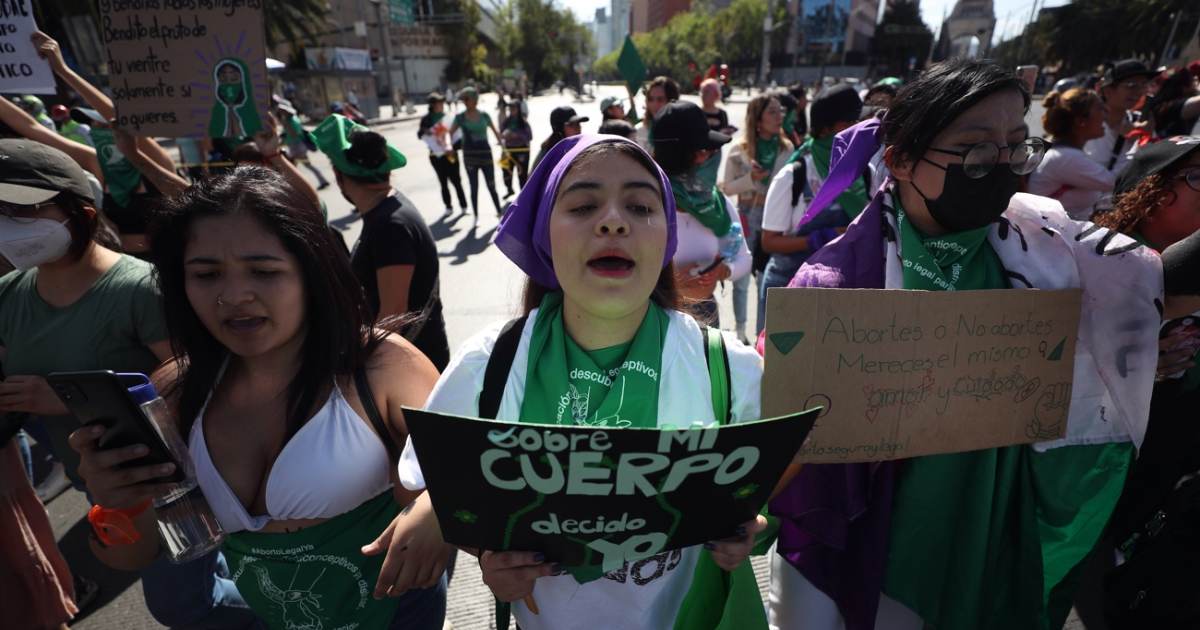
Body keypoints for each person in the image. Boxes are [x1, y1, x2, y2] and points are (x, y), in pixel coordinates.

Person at [768, 59, 1162, 630]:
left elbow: (1147, 286)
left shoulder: (1053, 254)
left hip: (982, 522)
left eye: (1017, 147)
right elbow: (788, 444)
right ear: (901, 160)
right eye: (976, 151)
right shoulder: (832, 288)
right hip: (871, 538)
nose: (1000, 167)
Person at [396, 133, 768, 630]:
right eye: (583, 206)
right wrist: (487, 556)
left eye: (640, 207)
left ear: (667, 238)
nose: (613, 221)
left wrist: (746, 533)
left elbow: (763, 495)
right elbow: (435, 491)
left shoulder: (729, 369)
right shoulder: (486, 367)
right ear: (545, 235)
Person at [69, 166, 453, 629]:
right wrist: (118, 501)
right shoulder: (172, 392)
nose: (234, 295)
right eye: (207, 274)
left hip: (400, 613)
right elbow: (132, 557)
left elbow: (468, 478)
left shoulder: (383, 366)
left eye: (264, 271)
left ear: (311, 270)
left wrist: (433, 509)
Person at [0, 138, 262, 629]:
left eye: (23, 210)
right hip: (102, 486)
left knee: (183, 605)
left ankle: (320, 611)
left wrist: (66, 399)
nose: (7, 225)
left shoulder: (141, 287)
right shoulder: (9, 295)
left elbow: (205, 385)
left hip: (172, 486)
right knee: (214, 579)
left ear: (78, 212)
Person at [1092, 136, 1200, 628]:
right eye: (1196, 177)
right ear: (1150, 191)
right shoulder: (1099, 263)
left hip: (1173, 462)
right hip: (1106, 468)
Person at [314, 114, 451, 370]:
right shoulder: (389, 207)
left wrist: (359, 367)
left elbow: (393, 317)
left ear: (338, 176)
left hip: (410, 370)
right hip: (409, 361)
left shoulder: (390, 227)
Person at [33, 30, 187, 257]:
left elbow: (117, 117)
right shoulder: (98, 165)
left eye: (105, 125)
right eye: (93, 125)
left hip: (167, 261)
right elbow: (33, 129)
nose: (98, 130)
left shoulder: (153, 160)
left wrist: (63, 71)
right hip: (127, 264)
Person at [758, 83, 867, 336]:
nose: (860, 129)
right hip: (788, 288)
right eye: (852, 123)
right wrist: (820, 239)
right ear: (828, 129)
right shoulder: (794, 176)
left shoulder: (864, 173)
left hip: (840, 291)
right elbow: (769, 242)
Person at [653, 101, 752, 326]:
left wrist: (723, 271)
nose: (708, 158)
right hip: (656, 316)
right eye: (701, 151)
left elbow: (744, 258)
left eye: (710, 151)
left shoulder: (717, 203)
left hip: (706, 317)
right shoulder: (646, 206)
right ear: (677, 156)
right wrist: (670, 280)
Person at [720, 93, 793, 341]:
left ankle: (764, 333)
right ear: (758, 119)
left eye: (780, 111)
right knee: (741, 276)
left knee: (768, 278)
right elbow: (727, 187)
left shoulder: (787, 148)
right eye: (772, 112)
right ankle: (740, 333)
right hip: (746, 217)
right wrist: (750, 179)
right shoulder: (739, 150)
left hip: (777, 219)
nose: (779, 116)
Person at [1027, 88, 1116, 220]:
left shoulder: (1064, 153)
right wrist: (1134, 141)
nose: (1106, 111)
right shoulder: (1066, 157)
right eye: (1100, 108)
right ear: (1080, 121)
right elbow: (1115, 182)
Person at [1084, 59, 1157, 175]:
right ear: (1108, 91)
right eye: (1131, 85)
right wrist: (1136, 147)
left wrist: (1145, 138)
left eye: (1143, 85)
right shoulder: (1085, 124)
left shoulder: (1141, 122)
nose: (1139, 92)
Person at [449, 86, 506, 220]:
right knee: (474, 187)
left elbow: (496, 133)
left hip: (486, 155)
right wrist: (448, 146)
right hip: (470, 157)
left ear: (474, 100)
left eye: (467, 99)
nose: (464, 102)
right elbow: (449, 134)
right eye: (463, 100)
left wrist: (504, 148)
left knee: (491, 185)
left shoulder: (485, 116)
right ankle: (476, 217)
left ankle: (499, 213)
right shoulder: (460, 118)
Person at [418, 92, 469, 217]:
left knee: (457, 181)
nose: (441, 104)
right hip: (437, 156)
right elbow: (420, 134)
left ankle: (464, 206)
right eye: (439, 102)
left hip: (451, 154)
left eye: (442, 102)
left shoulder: (448, 117)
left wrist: (453, 148)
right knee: (443, 182)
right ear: (432, 105)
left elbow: (457, 137)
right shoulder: (426, 119)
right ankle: (448, 207)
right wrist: (426, 131)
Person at [276, 99, 332, 190]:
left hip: (297, 147)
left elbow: (294, 134)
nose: (281, 113)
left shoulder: (291, 121)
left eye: (282, 111)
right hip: (295, 147)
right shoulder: (291, 120)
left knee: (295, 167)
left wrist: (286, 127)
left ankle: (304, 186)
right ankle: (321, 181)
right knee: (298, 167)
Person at [1148, 67, 1200, 138]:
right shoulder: (1171, 106)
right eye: (1193, 81)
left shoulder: (1162, 104)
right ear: (1185, 87)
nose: (1197, 83)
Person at [532, 105, 588, 170]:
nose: (577, 128)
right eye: (571, 125)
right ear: (559, 128)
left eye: (578, 124)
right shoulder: (549, 155)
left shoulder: (581, 148)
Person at [499, 99, 533, 198]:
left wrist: (517, 135)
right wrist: (504, 136)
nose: (512, 110)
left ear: (518, 109)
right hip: (509, 150)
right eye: (510, 108)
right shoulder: (506, 122)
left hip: (521, 150)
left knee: (522, 174)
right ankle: (509, 189)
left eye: (514, 108)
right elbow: (501, 133)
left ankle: (523, 194)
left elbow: (530, 136)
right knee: (506, 170)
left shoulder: (524, 122)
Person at [636, 76, 680, 151]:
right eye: (650, 99)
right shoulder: (640, 130)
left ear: (672, 101)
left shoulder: (682, 131)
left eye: (660, 99)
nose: (654, 104)